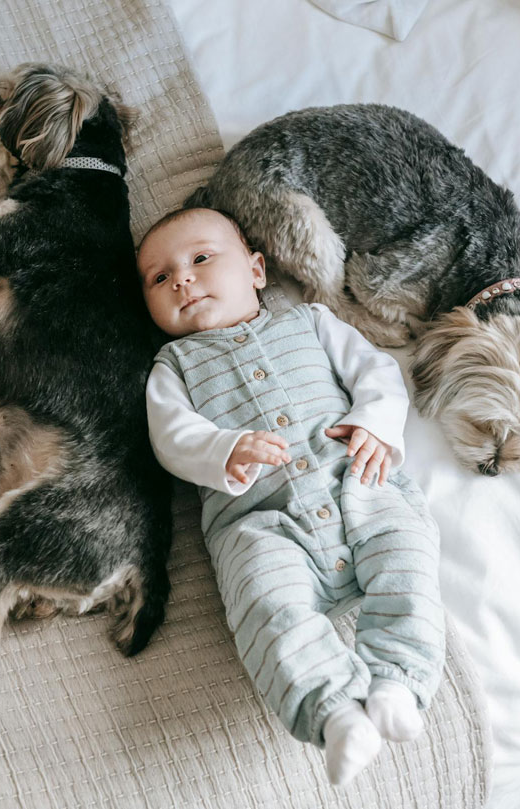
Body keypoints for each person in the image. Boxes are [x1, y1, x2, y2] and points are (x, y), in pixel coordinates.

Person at [139, 207, 445, 786]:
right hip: (259, 521)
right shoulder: (172, 365)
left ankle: (398, 682)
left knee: (409, 557)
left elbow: (374, 372)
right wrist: (223, 448)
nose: (181, 278)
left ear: (256, 270)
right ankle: (333, 714)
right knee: (263, 606)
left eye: (201, 259)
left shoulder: (309, 321)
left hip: (358, 481)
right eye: (159, 278)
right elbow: (171, 437)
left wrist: (375, 424)